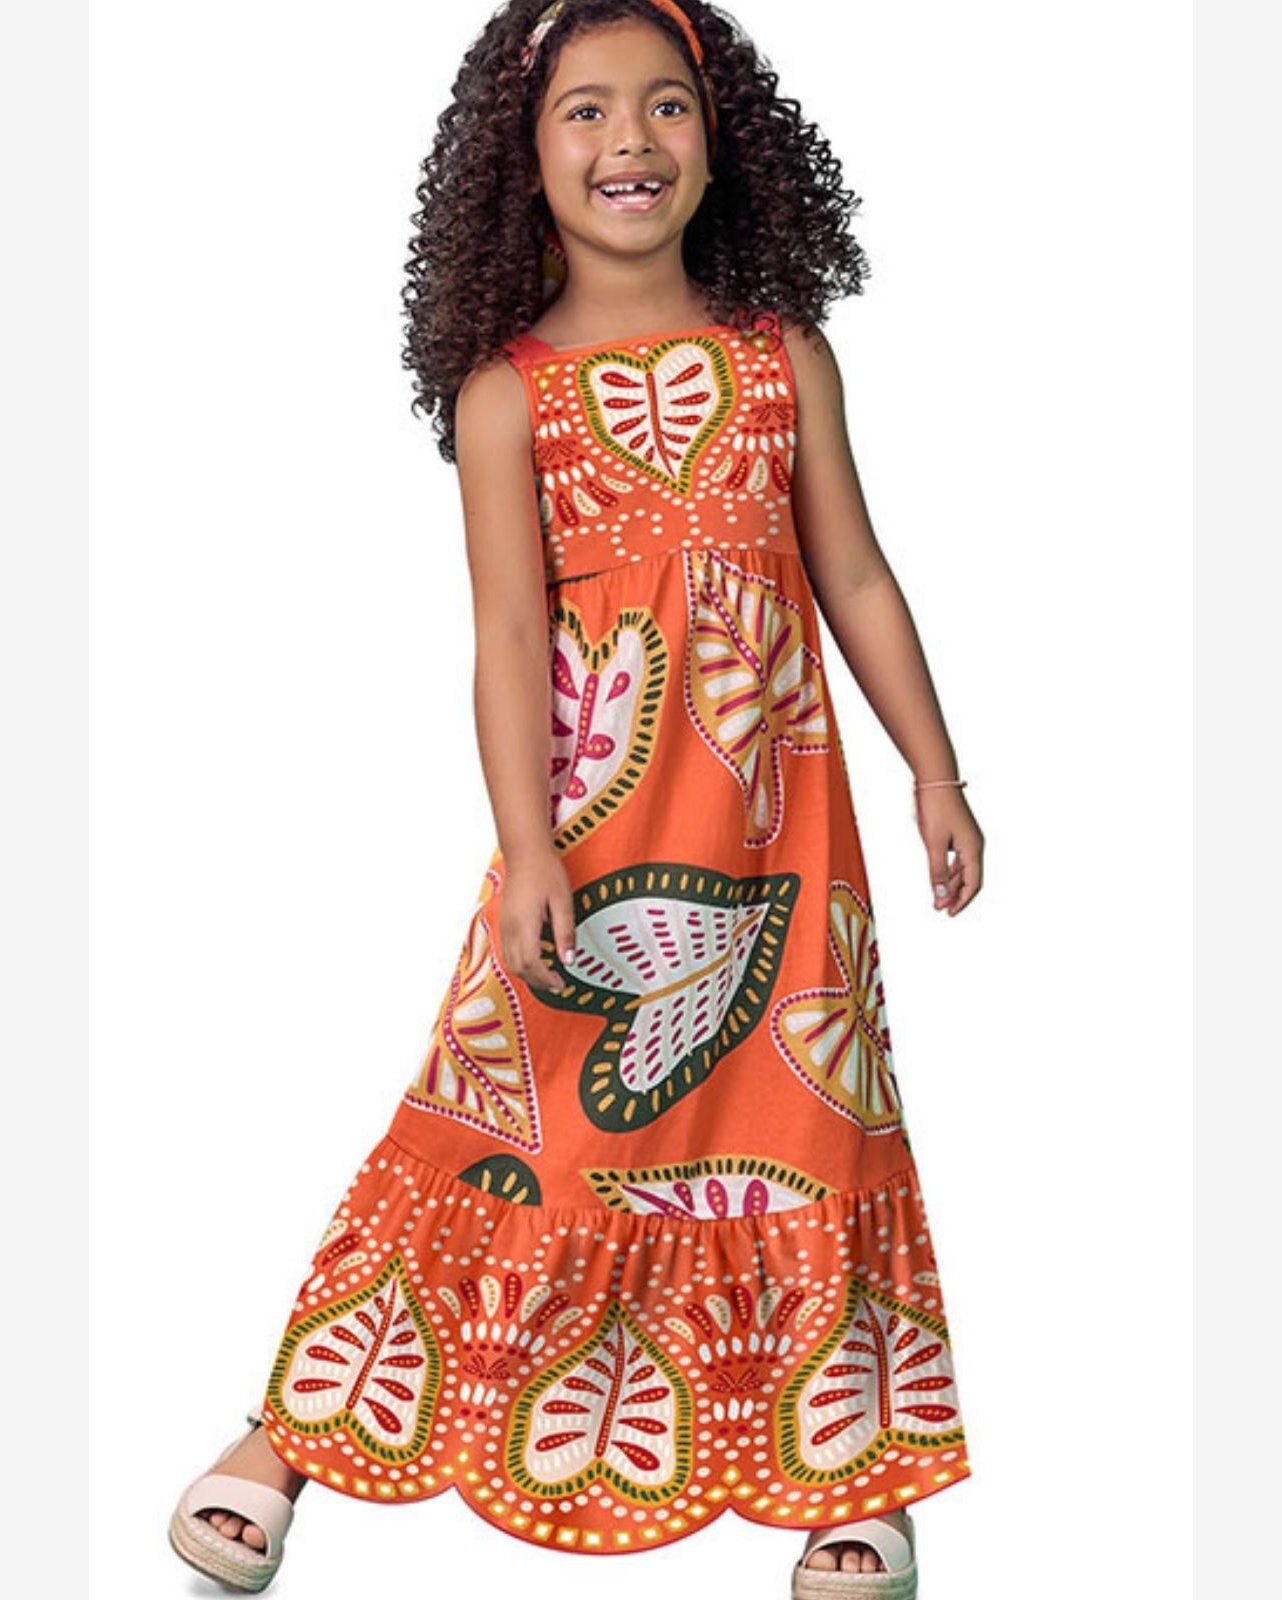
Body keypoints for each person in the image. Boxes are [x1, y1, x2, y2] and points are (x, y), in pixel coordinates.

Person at [168, 1, 985, 1594]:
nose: (630, 141)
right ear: (521, 158)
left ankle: (855, 1480)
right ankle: (288, 1437)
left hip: (785, 845)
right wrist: (527, 848)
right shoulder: (507, 395)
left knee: (806, 1123)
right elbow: (504, 642)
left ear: (722, 144)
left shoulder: (781, 360)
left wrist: (935, 772)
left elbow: (856, 580)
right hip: (593, 838)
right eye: (586, 111)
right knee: (492, 1112)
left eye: (666, 106)